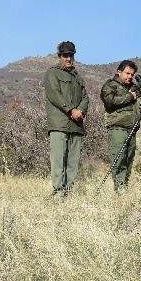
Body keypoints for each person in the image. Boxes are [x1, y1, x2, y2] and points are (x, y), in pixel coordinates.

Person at [44, 41, 89, 199]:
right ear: (59, 56)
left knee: (73, 162)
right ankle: (58, 194)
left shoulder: (78, 77)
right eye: (65, 55)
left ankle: (69, 194)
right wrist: (71, 110)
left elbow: (85, 97)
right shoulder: (52, 73)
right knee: (58, 160)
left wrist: (81, 111)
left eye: (71, 55)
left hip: (76, 125)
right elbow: (54, 94)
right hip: (59, 124)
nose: (68, 58)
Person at [100, 60, 141, 192]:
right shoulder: (110, 85)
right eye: (127, 73)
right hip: (117, 127)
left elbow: (140, 107)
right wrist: (129, 97)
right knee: (118, 158)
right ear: (119, 71)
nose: (130, 77)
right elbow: (109, 101)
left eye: (132, 74)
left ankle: (124, 187)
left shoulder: (134, 88)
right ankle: (119, 188)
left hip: (132, 128)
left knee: (129, 159)